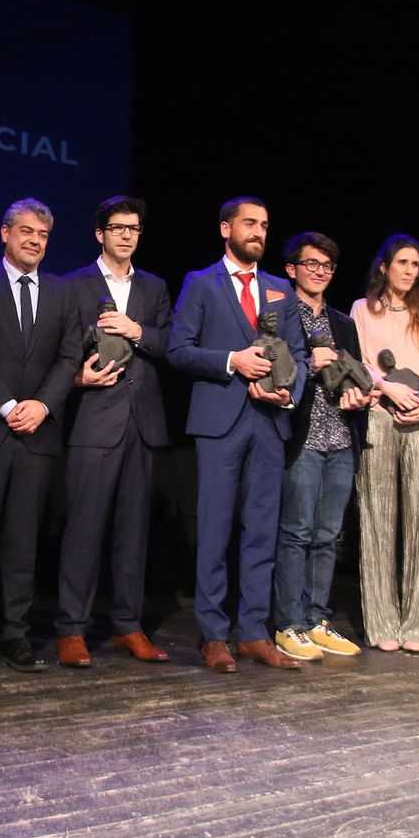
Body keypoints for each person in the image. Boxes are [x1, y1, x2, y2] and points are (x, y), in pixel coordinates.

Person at [167, 196, 308, 673]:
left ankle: (253, 631)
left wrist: (286, 393)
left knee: (262, 531)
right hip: (219, 422)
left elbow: (301, 358)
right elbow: (179, 351)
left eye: (264, 225)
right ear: (225, 228)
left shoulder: (278, 289)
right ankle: (213, 634)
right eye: (249, 223)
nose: (258, 232)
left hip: (269, 423)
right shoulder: (200, 283)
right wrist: (232, 361)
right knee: (214, 528)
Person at [0, 198, 82, 673]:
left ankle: (14, 634)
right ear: (5, 233)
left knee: (23, 541)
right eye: (26, 231)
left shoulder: (61, 291)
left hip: (37, 435)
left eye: (43, 235)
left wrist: (43, 405)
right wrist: (8, 406)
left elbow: (69, 358)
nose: (34, 241)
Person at [55, 196, 173, 668]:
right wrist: (77, 378)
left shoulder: (155, 287)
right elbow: (61, 350)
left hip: (141, 424)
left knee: (132, 533)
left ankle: (128, 625)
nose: (127, 235)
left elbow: (170, 344)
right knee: (83, 529)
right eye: (117, 227)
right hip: (92, 421)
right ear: (99, 233)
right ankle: (71, 629)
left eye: (135, 228)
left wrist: (136, 329)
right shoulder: (71, 286)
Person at [270, 232, 374, 662]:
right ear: (292, 269)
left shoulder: (342, 321)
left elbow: (355, 374)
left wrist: (361, 396)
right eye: (311, 264)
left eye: (327, 267)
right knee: (296, 532)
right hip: (302, 437)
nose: (319, 273)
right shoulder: (279, 313)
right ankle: (288, 624)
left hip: (340, 437)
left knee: (329, 536)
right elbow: (275, 365)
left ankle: (316, 619)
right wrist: (309, 367)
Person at [349, 234, 419, 653]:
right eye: (402, 263)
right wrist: (385, 389)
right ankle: (381, 624)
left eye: (415, 264)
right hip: (379, 415)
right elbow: (357, 362)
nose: (410, 271)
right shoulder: (362, 309)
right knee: (377, 520)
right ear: (384, 266)